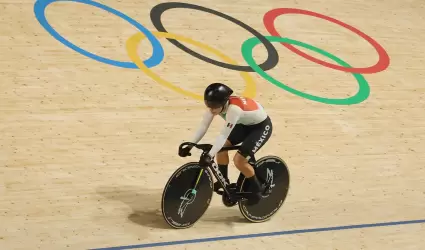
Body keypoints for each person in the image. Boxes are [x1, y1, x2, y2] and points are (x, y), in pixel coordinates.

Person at [178, 82, 273, 205]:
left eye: (214, 106)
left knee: (239, 160)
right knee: (222, 148)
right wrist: (190, 145)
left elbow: (223, 135)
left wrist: (210, 155)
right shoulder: (215, 107)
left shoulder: (234, 110)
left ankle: (257, 189)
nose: (211, 109)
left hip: (260, 127)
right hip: (244, 124)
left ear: (223, 103)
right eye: (208, 105)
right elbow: (203, 127)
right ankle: (224, 180)